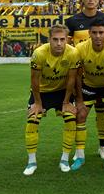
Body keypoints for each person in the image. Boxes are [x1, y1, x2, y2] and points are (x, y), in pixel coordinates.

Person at [65, 0, 104, 160]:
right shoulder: (72, 21)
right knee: (80, 113)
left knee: (103, 112)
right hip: (85, 73)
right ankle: (79, 151)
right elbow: (66, 43)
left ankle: (103, 146)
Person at [23, 24, 80, 176]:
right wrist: (38, 103)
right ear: (49, 39)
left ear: (67, 39)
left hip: (62, 92)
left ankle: (64, 159)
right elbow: (34, 80)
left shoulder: (73, 53)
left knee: (70, 119)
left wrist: (66, 102)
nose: (59, 43)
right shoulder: (39, 53)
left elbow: (71, 79)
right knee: (32, 121)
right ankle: (31, 162)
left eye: (62, 39)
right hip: (42, 92)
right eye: (55, 39)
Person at [71, 19, 104, 171]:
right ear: (89, 33)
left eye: (101, 32)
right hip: (89, 85)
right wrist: (79, 101)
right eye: (94, 33)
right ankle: (80, 156)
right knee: (80, 114)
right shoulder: (80, 49)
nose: (97, 36)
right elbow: (77, 76)